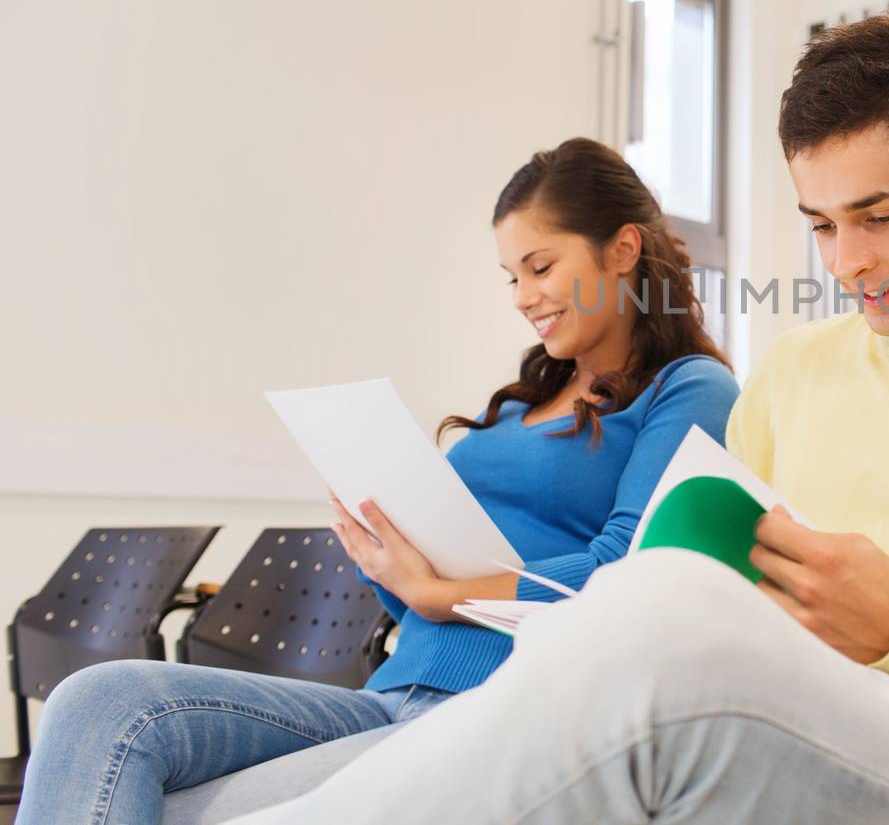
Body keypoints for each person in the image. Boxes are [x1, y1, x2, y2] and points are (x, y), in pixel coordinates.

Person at [227, 11, 889, 825]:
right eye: (820, 226)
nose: (845, 263)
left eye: (880, 216)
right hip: (752, 732)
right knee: (188, 783)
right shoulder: (798, 370)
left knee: (660, 605)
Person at [16, 137, 739, 825]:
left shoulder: (689, 387)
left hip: (500, 709)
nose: (522, 295)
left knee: (156, 805)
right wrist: (387, 556)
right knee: (98, 705)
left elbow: (633, 568)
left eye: (540, 266)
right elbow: (421, 594)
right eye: (511, 276)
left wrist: (442, 592)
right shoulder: (522, 401)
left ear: (622, 248)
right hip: (390, 691)